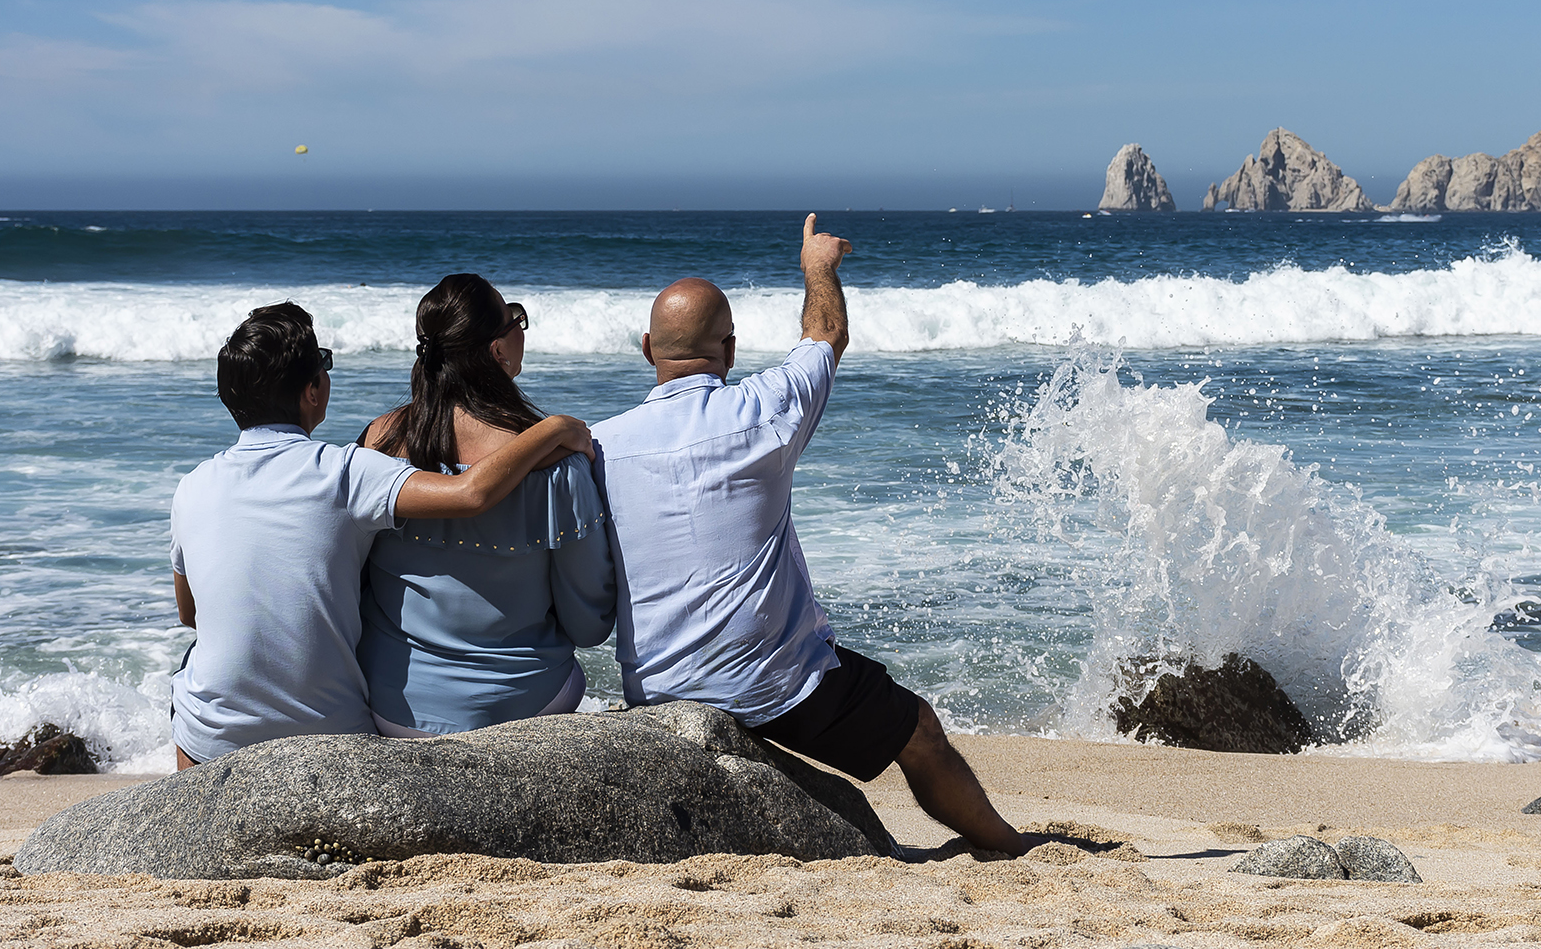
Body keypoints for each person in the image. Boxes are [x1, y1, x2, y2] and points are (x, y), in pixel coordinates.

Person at [593, 214, 1028, 856]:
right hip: (770, 686)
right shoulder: (763, 412)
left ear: (646, 348)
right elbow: (826, 333)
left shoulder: (599, 448)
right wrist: (817, 266)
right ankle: (1010, 847)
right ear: (730, 351)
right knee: (918, 730)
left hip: (655, 690)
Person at [169, 301, 595, 769]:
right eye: (323, 363)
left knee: (193, 666)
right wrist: (553, 429)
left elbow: (191, 614)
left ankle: (190, 803)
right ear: (313, 390)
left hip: (211, 739)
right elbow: (471, 492)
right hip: (330, 730)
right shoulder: (344, 473)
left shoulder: (191, 487)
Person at [356, 274, 615, 737]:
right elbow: (589, 625)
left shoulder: (377, 445)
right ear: (497, 351)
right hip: (525, 700)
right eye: (515, 319)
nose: (521, 328)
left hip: (394, 703)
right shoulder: (559, 466)